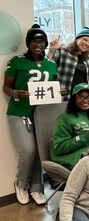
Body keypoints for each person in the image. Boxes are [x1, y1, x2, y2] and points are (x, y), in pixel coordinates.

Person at [3, 24, 58, 205]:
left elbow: (52, 88)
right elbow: (6, 87)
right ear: (28, 43)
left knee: (40, 152)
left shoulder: (51, 64)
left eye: (42, 41)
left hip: (41, 114)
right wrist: (15, 93)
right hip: (20, 112)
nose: (38, 44)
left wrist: (59, 92)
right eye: (35, 41)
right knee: (28, 150)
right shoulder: (17, 61)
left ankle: (36, 186)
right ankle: (21, 183)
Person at [51, 83, 89, 171]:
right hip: (73, 159)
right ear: (74, 99)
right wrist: (86, 137)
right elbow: (59, 147)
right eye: (80, 97)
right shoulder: (64, 118)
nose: (85, 100)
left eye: (88, 97)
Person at [47, 29, 89, 101]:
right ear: (77, 39)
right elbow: (48, 65)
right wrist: (52, 50)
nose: (87, 43)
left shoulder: (86, 59)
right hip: (64, 95)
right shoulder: (63, 50)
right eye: (85, 40)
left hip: (80, 97)